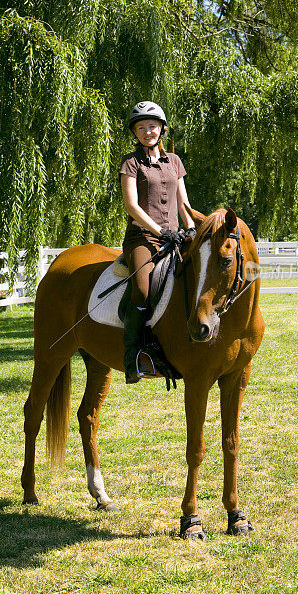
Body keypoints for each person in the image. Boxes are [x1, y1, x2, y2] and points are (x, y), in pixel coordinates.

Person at [119, 101, 196, 384]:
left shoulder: (174, 161)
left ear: (161, 129)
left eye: (152, 126)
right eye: (141, 128)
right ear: (135, 133)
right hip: (142, 237)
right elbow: (132, 206)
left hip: (176, 237)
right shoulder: (130, 162)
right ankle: (132, 355)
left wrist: (191, 229)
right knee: (142, 286)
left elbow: (183, 202)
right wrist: (159, 231)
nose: (147, 131)